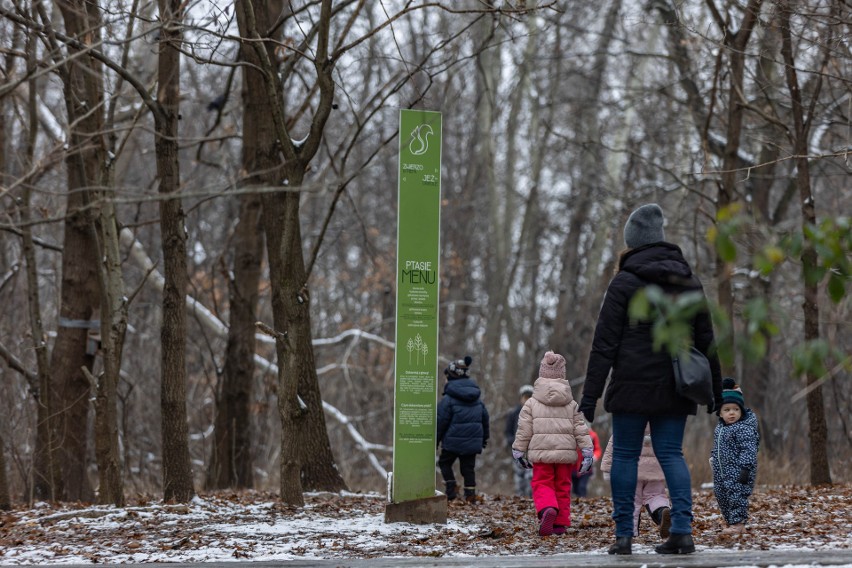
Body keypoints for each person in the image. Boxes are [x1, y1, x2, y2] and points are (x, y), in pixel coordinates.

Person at [578, 203, 723, 555]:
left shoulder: (624, 282)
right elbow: (707, 339)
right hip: (677, 385)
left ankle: (624, 535)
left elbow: (604, 345)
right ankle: (683, 532)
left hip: (631, 385)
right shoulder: (687, 281)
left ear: (632, 243)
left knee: (625, 456)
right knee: (671, 454)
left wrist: (588, 399)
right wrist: (716, 389)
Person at [511, 351, 594, 536]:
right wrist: (587, 451)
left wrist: (518, 450)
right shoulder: (571, 403)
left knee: (542, 483)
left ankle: (547, 508)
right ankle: (559, 524)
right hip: (565, 455)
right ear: (562, 375)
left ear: (542, 374)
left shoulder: (531, 403)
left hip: (541, 453)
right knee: (563, 486)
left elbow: (524, 429)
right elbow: (580, 428)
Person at [436, 355, 490, 503]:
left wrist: (435, 440)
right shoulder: (477, 398)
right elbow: (485, 418)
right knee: (468, 469)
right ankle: (470, 495)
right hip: (472, 441)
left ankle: (451, 489)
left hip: (452, 442)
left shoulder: (448, 399)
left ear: (451, 377)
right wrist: (484, 439)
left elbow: (441, 422)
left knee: (444, 463)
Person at [600, 427, 672, 538]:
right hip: (656, 468)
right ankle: (662, 513)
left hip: (632, 467)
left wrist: (607, 469)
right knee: (656, 496)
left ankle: (630, 533)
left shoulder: (631, 415)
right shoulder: (662, 418)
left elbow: (614, 443)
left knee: (632, 500)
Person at [711, 377, 760, 536]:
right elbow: (717, 447)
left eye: (735, 409)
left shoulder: (744, 428)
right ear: (720, 412)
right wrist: (713, 459)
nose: (731, 413)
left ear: (741, 410)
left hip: (740, 472)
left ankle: (737, 523)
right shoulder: (720, 428)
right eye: (727, 410)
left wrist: (746, 468)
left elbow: (749, 449)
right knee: (722, 496)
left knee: (737, 496)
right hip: (722, 472)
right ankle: (733, 522)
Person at [505, 384, 535, 497]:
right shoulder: (514, 413)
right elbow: (508, 431)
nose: (527, 400)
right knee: (519, 477)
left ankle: (530, 498)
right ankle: (520, 498)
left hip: (532, 450)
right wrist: (511, 442)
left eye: (529, 397)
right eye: (525, 397)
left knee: (531, 476)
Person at [571, 425, 602, 498]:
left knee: (582, 487)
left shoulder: (593, 436)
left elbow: (597, 449)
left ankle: (582, 503)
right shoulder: (572, 434)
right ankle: (577, 504)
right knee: (575, 488)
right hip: (573, 467)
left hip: (586, 466)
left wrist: (594, 457)